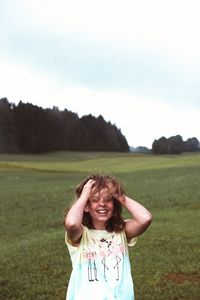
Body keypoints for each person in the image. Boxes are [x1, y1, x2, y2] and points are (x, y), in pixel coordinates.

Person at [64, 174, 152, 300]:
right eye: (95, 200)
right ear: (86, 207)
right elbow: (71, 223)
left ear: (114, 204)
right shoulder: (81, 235)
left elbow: (145, 219)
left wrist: (119, 196)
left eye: (107, 199)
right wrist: (84, 195)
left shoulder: (121, 232)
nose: (102, 204)